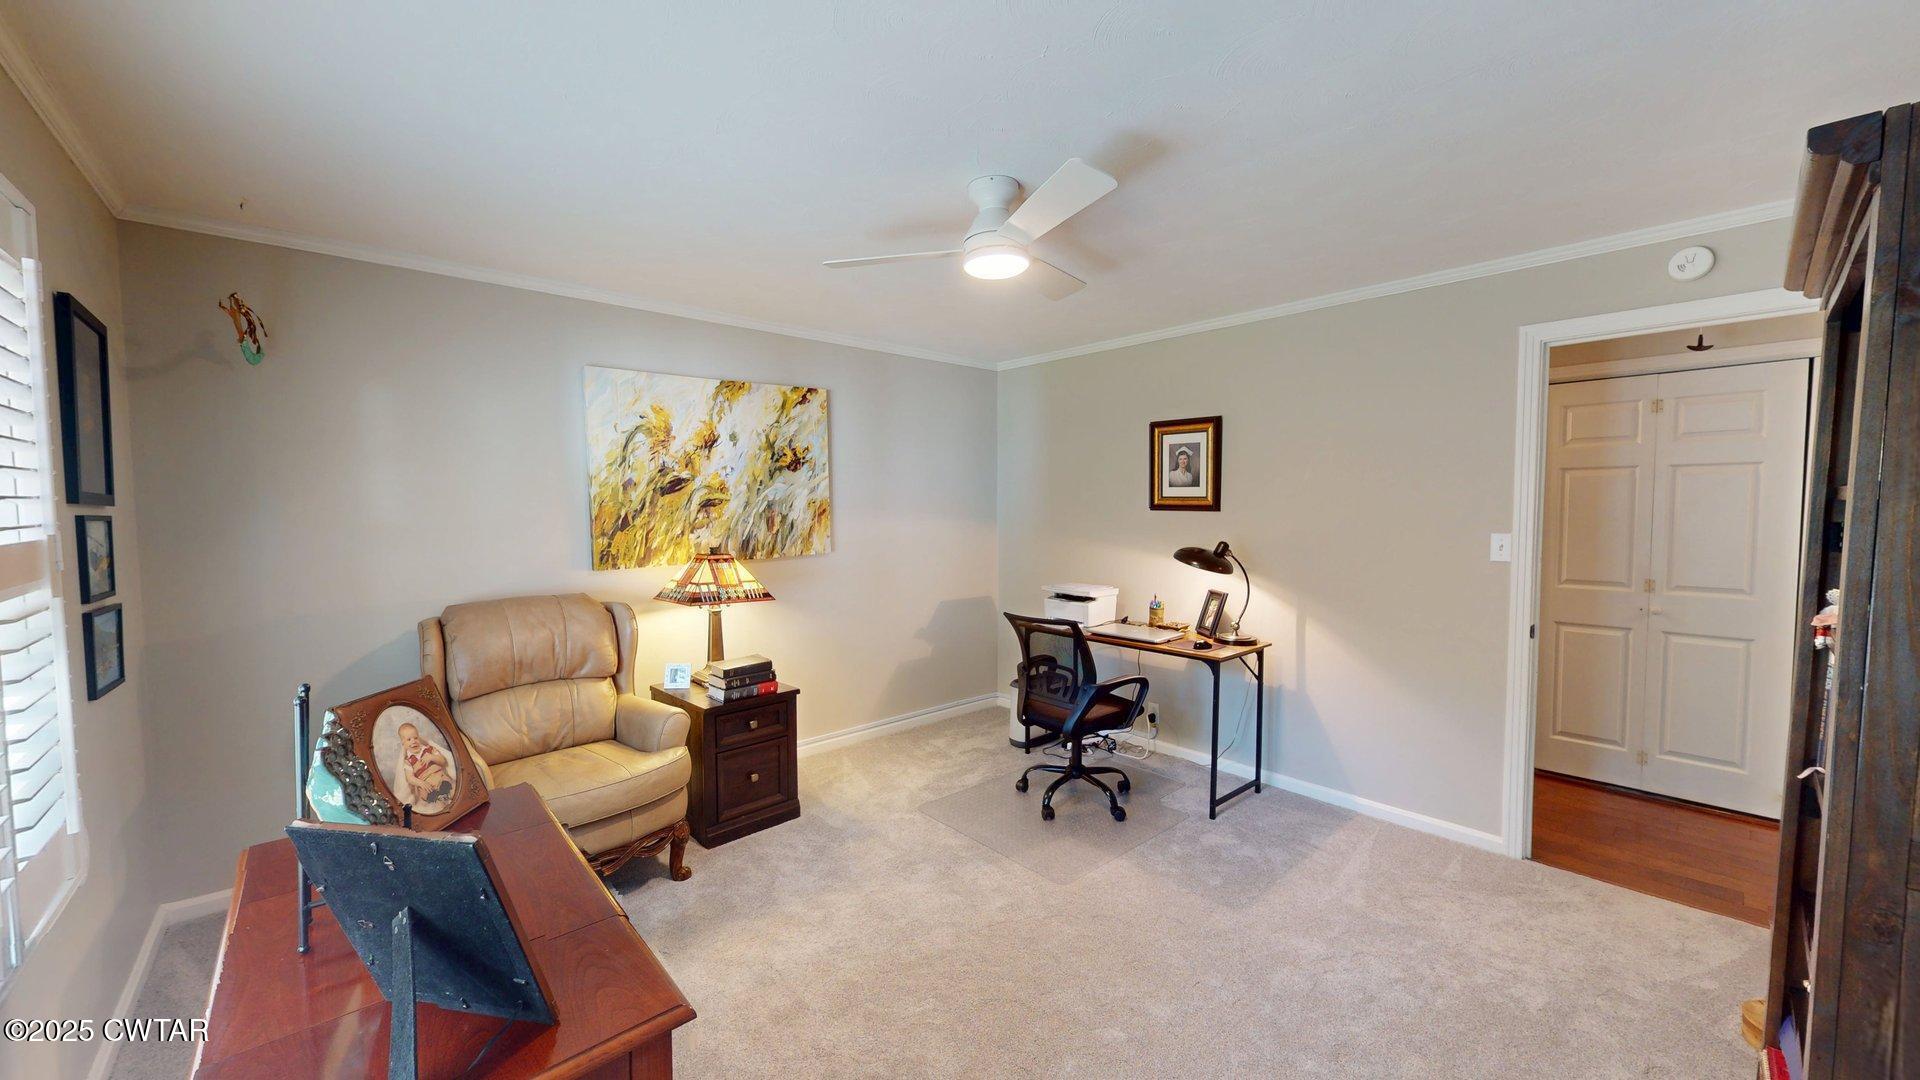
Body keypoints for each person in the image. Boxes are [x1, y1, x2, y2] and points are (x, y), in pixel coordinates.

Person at [395, 721, 456, 813]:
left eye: (415, 738)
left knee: (454, 791)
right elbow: (410, 778)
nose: (413, 741)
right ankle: (442, 807)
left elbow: (443, 761)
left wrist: (432, 757)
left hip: (440, 779)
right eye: (409, 739)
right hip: (427, 787)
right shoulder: (408, 761)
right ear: (403, 743)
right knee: (438, 805)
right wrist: (420, 783)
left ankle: (451, 800)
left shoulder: (429, 749)